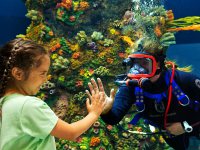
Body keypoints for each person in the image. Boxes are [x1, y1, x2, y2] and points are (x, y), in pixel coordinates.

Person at [0, 38, 106, 150]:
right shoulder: (27, 105)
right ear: (18, 73)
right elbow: (71, 132)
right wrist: (94, 113)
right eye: (42, 73)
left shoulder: (4, 104)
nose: (46, 79)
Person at [89, 49, 200, 150]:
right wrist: (105, 111)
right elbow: (113, 119)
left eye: (145, 63)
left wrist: (185, 125)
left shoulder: (184, 80)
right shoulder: (130, 87)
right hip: (172, 135)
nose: (139, 69)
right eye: (135, 63)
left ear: (158, 64)